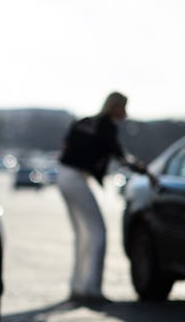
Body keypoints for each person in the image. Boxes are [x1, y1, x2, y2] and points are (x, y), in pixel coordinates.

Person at [55, 91, 155, 304]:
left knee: (82, 233)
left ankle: (78, 286)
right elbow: (120, 154)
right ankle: (92, 289)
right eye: (124, 107)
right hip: (75, 176)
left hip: (63, 174)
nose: (126, 113)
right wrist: (145, 171)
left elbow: (66, 146)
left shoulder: (85, 122)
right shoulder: (106, 126)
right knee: (98, 232)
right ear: (115, 107)